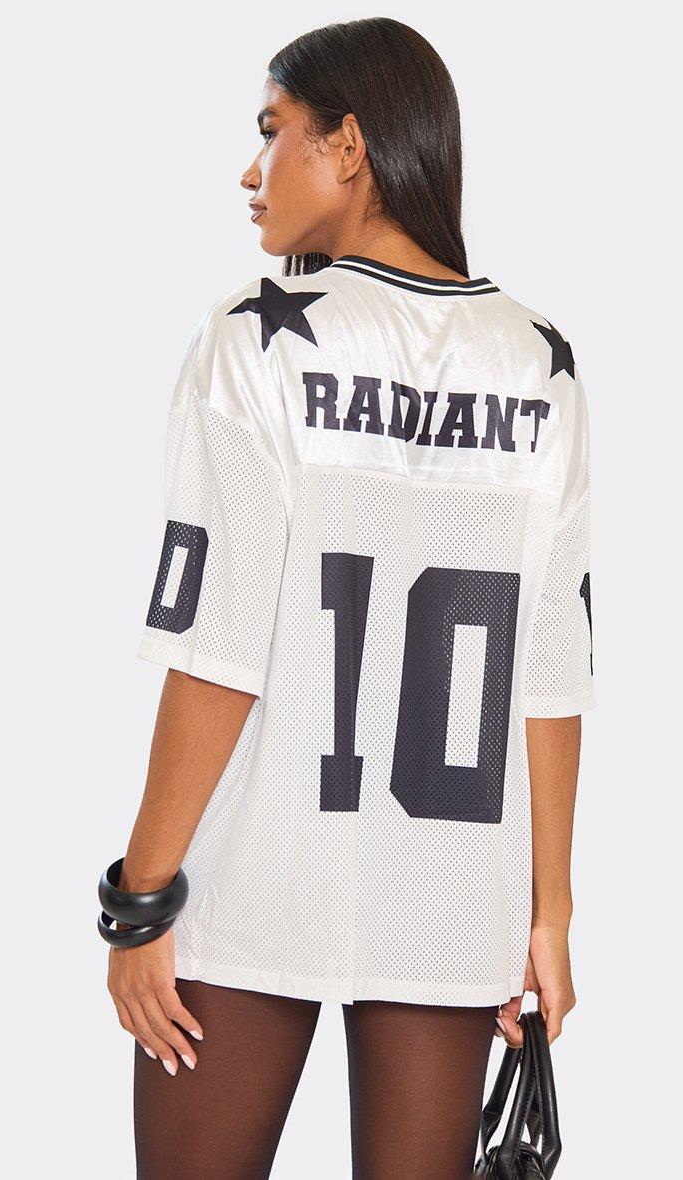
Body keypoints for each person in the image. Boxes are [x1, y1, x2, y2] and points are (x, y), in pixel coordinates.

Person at [103, 17, 595, 1179]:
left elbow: (218, 649)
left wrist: (139, 896)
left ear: (348, 144)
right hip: (451, 890)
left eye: (271, 130)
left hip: (252, 872)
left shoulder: (256, 341)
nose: (250, 170)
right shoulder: (540, 360)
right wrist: (547, 915)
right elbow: (548, 675)